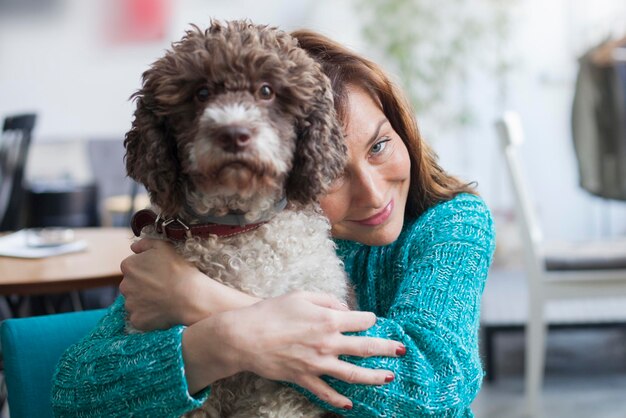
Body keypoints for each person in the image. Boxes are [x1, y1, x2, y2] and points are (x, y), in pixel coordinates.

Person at [52, 29, 495, 417]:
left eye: (379, 146)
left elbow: (435, 389)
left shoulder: (452, 222)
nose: (374, 193)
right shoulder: (202, 235)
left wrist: (203, 302)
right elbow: (76, 393)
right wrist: (218, 344)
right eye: (336, 171)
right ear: (295, 169)